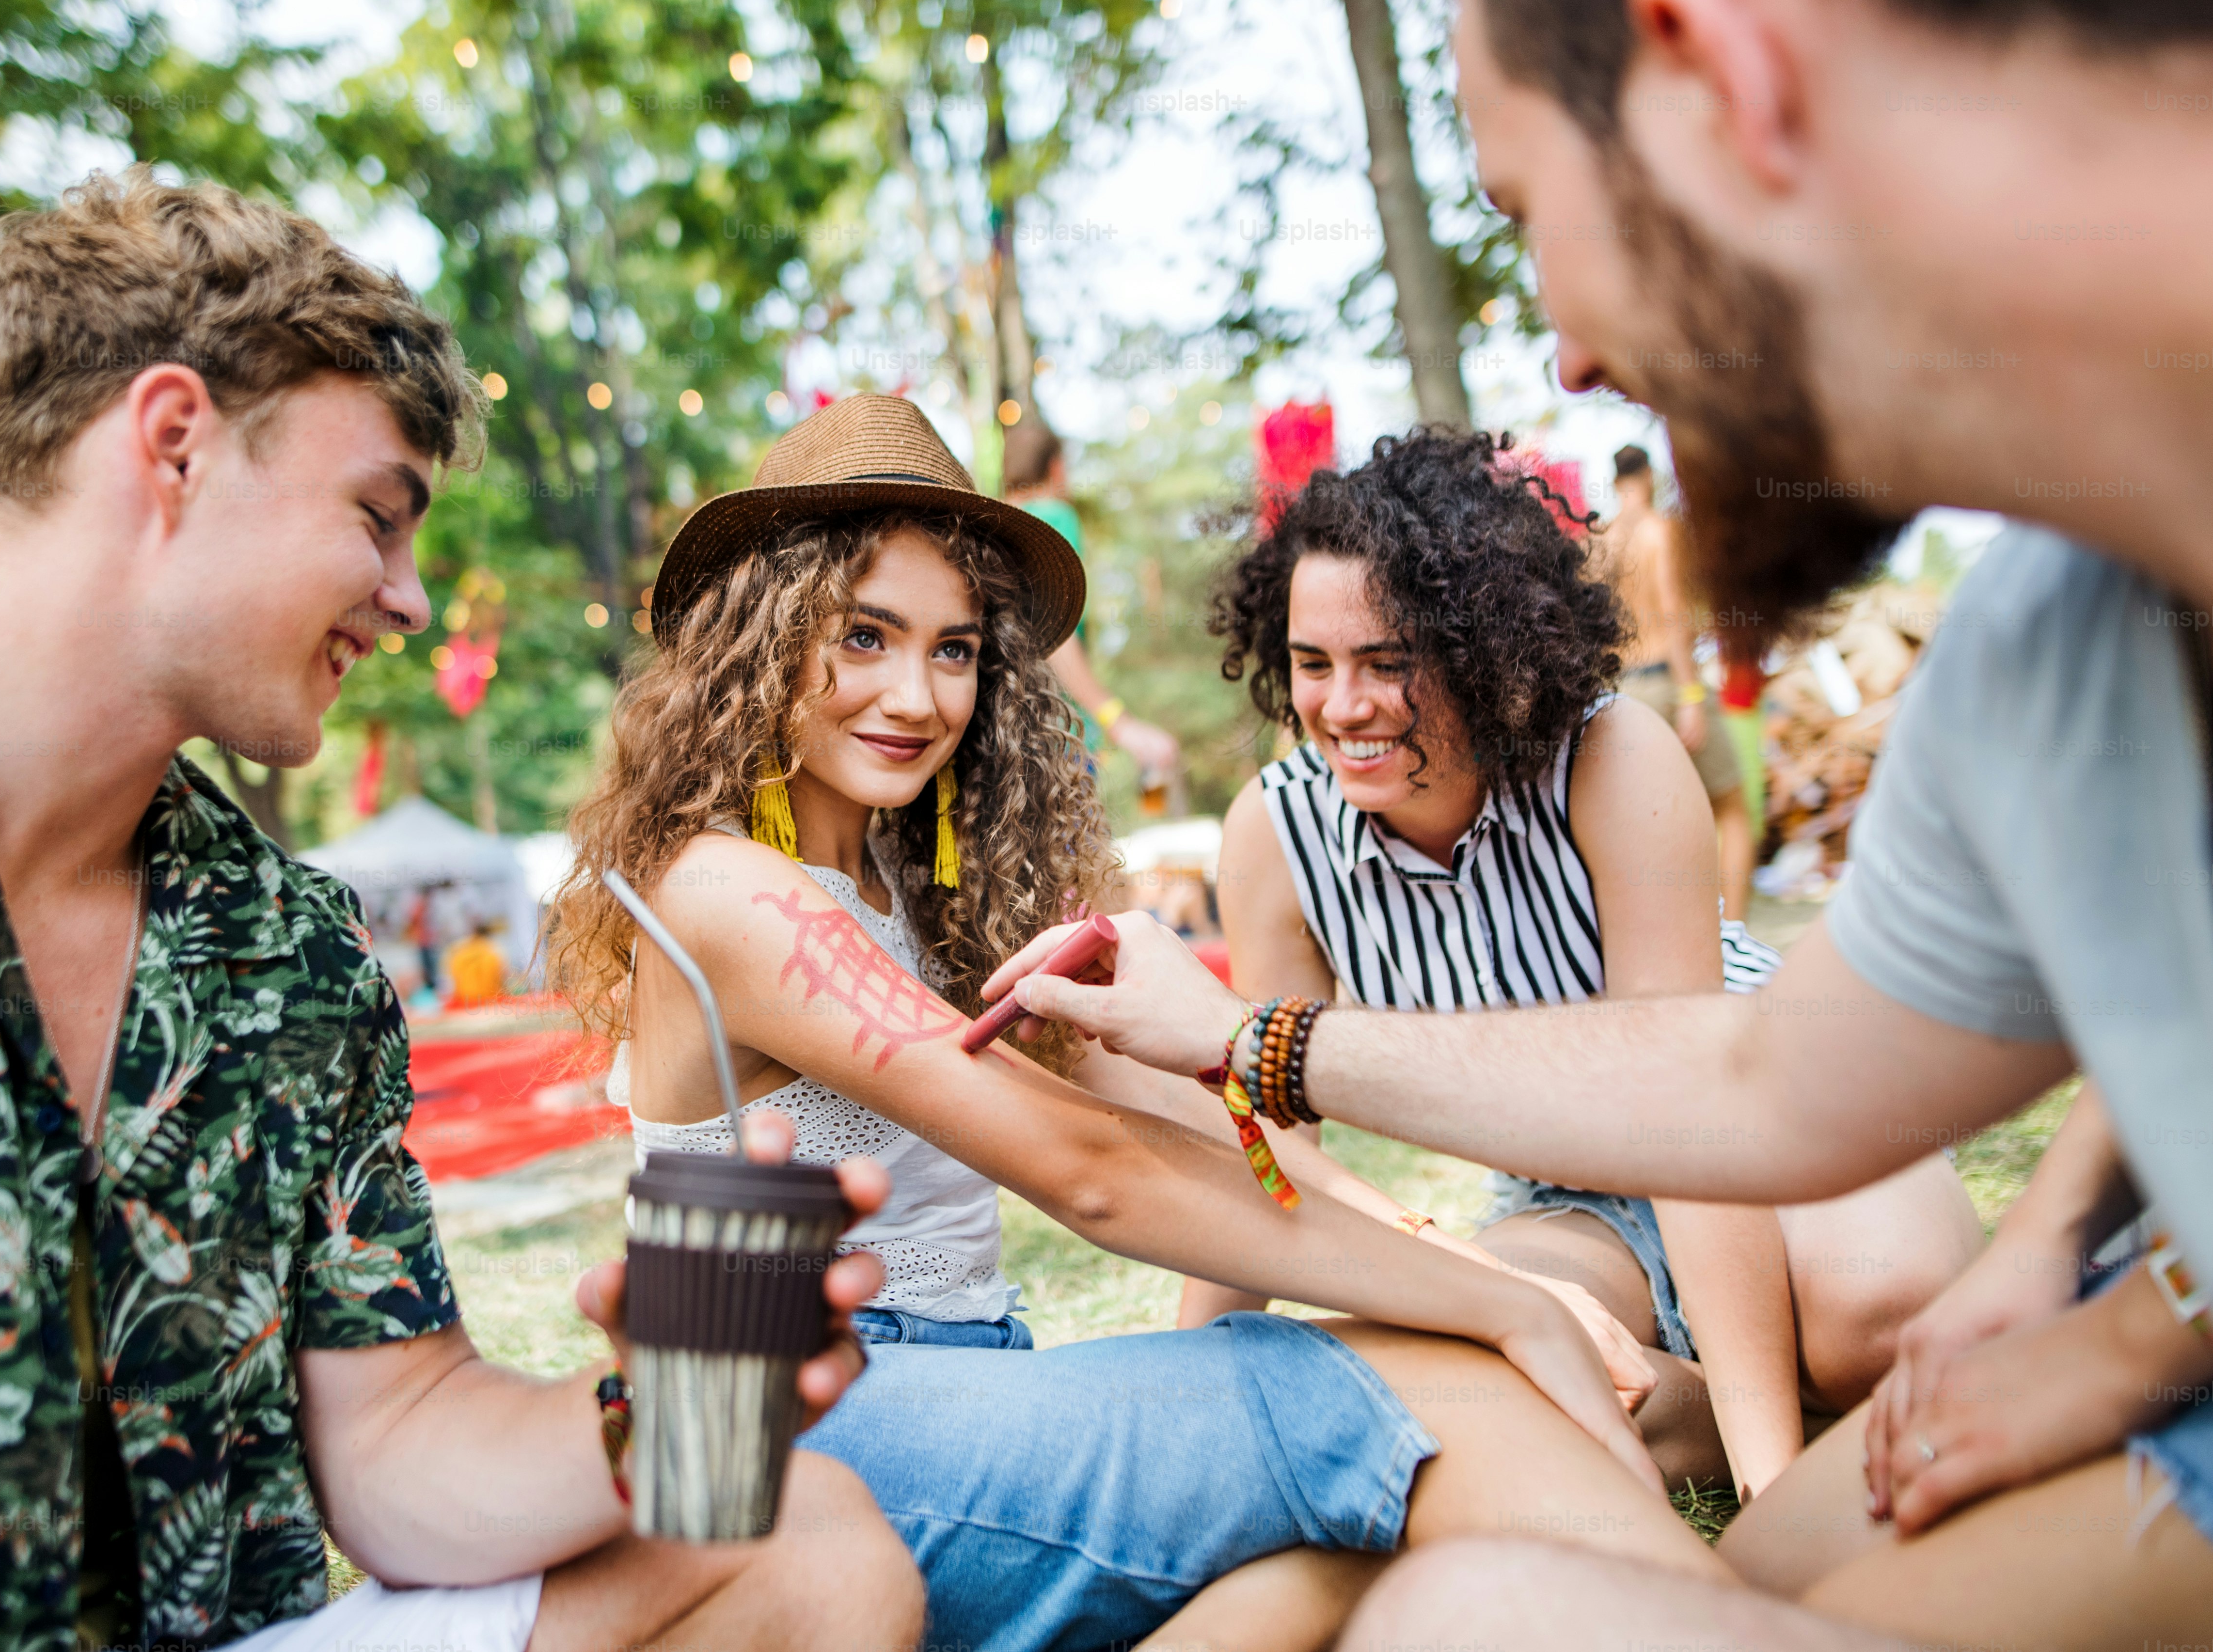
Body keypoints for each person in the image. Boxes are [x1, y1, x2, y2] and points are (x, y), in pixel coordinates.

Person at [984, 0, 2213, 1644]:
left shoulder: (1622, 755)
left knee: (1481, 1612)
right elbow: (1773, 1077)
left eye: (1529, 211)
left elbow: (1752, 1094)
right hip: (1922, 1267)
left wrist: (2142, 1327)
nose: (1563, 361)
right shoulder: (2048, 627)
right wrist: (1242, 1040)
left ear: (1712, 71)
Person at [0, 167, 921, 1652]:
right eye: (379, 517)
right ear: (173, 444)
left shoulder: (290, 946)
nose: (410, 596)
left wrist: (651, 1404)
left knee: (810, 1538)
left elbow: (397, 1442)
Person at [549, 392, 1727, 1652]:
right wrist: (1499, 1308)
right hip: (799, 1439)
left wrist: (1476, 1274)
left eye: (954, 648)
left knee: (1406, 1512)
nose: (914, 692)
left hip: (962, 1391)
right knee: (1442, 1401)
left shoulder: (922, 887)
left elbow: (1194, 1123)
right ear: (762, 635)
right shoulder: (729, 891)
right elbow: (1092, 1168)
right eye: (864, 635)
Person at [1170, 428, 1976, 1503]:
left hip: (1764, 1110)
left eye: (1385, 660)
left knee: (1874, 1323)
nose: (1340, 706)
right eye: (1312, 664)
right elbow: (1266, 1143)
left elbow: (1690, 1100)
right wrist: (1186, 1389)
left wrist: (1769, 1495)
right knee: (1501, 1377)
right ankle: (1744, 1402)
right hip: (1574, 1191)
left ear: (1474, 645)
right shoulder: (1276, 835)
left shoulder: (1609, 756)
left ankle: (1785, 1412)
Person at [1600, 444, 1756, 917]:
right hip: (1668, 682)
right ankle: (1731, 938)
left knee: (1649, 822)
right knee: (1732, 812)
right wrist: (1691, 695)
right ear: (1647, 476)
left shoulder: (1603, 539)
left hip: (1624, 689)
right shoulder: (1658, 530)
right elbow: (1671, 612)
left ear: (1614, 482)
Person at [1002, 415, 1183, 802]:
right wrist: (1120, 723)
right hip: (1057, 737)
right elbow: (1054, 635)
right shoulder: (1053, 515)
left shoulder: (1000, 522)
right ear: (1055, 467)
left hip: (1008, 736)